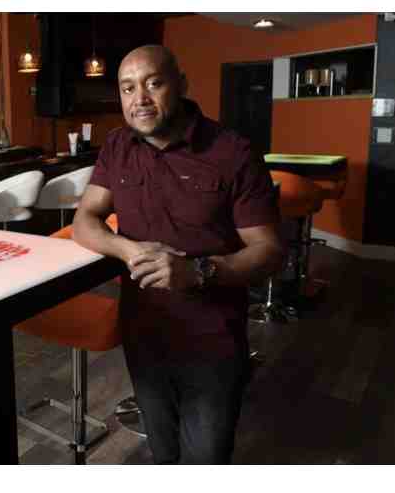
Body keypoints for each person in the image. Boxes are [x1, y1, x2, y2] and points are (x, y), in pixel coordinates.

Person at [72, 45, 283, 464]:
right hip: (142, 331)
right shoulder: (117, 145)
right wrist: (128, 249)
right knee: (163, 452)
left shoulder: (233, 152)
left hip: (212, 338)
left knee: (206, 459)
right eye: (128, 88)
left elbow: (270, 251)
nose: (140, 99)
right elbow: (84, 220)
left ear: (181, 84)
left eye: (153, 84)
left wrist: (199, 270)